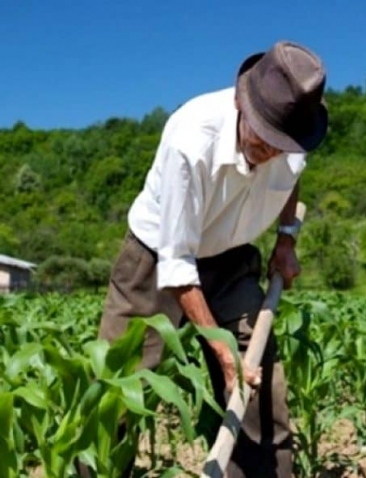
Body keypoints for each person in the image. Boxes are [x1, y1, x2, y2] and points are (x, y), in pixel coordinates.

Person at [82, 41, 328, 478]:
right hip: (156, 262)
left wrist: (286, 240)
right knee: (116, 393)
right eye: (263, 136)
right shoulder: (190, 140)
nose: (270, 151)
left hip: (232, 259)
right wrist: (221, 351)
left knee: (259, 384)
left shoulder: (294, 135)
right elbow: (177, 263)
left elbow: (291, 180)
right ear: (240, 102)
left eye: (280, 144)